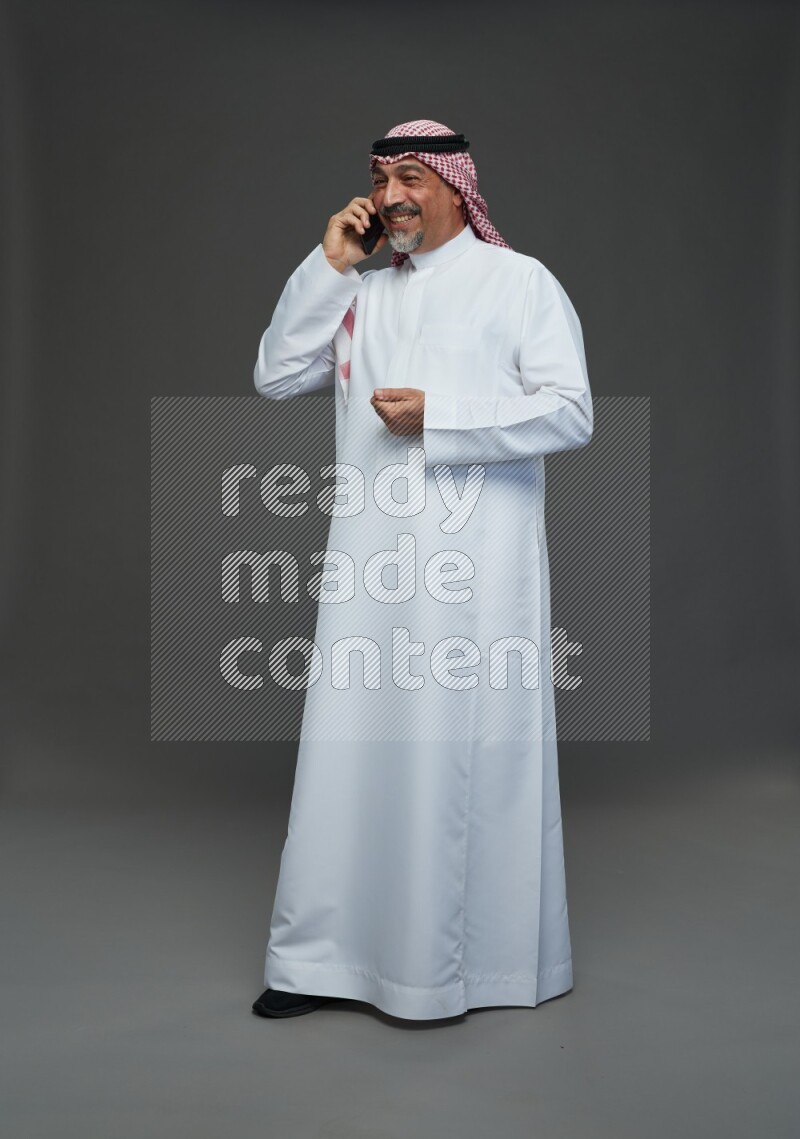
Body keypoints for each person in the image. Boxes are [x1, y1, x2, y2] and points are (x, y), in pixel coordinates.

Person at [251, 119, 593, 1021]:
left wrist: (441, 419)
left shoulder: (519, 283)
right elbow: (277, 374)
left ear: (454, 186)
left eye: (410, 176)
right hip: (370, 569)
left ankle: (457, 973)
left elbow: (571, 412)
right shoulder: (361, 293)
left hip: (477, 576)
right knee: (350, 752)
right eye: (380, 178)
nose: (392, 195)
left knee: (459, 757)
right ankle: (321, 962)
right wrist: (328, 266)